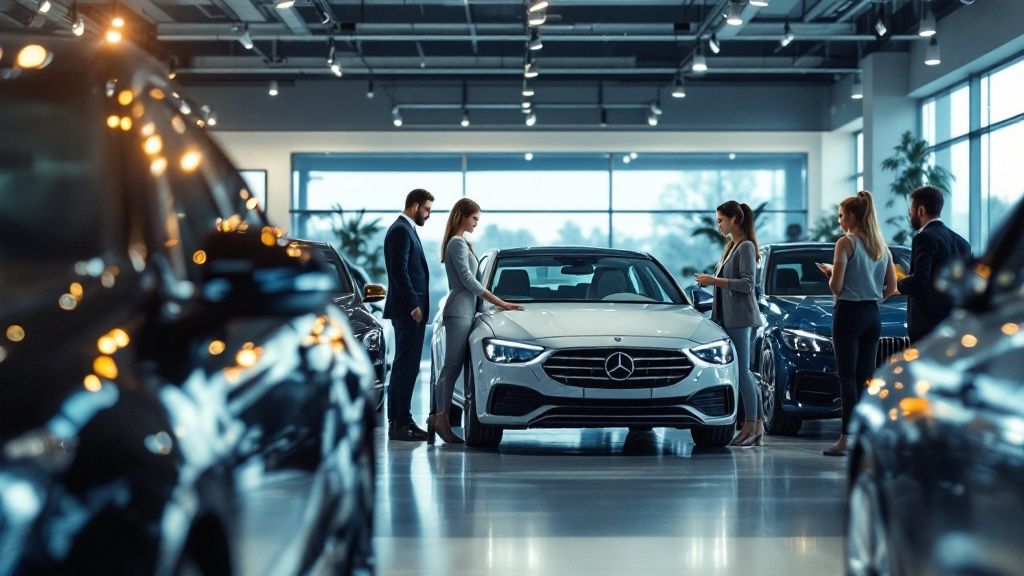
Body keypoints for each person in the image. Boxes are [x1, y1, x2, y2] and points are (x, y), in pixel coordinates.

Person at [428, 198, 524, 444]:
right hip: (459, 310)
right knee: (450, 367)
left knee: (453, 367)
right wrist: (501, 303)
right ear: (462, 216)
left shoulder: (461, 243)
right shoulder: (457, 243)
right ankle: (441, 418)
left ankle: (440, 417)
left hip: (466, 310)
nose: (476, 224)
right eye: (474, 219)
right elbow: (469, 281)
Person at [817, 191, 897, 456]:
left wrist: (831, 273)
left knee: (847, 379)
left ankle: (845, 439)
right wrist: (872, 298)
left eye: (841, 215)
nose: (840, 221)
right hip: (873, 314)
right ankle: (867, 437)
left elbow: (836, 286)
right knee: (867, 378)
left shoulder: (845, 243)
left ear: (852, 215)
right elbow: (892, 287)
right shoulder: (881, 246)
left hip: (848, 314)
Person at [695, 201, 764, 448]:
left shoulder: (745, 246)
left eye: (721, 220)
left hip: (741, 317)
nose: (718, 225)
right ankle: (755, 425)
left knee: (743, 372)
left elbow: (747, 284)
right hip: (729, 317)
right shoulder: (732, 246)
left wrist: (714, 280)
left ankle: (752, 425)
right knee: (742, 372)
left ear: (735, 219)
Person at [383, 189, 434, 442]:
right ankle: (399, 424)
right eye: (427, 209)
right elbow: (398, 271)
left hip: (411, 310)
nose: (428, 215)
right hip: (408, 310)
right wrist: (414, 304)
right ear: (415, 205)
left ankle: (402, 420)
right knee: (405, 367)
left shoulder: (407, 229)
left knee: (409, 366)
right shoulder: (401, 230)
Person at [897, 186, 971, 343]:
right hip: (952, 323)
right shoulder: (963, 243)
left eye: (911, 208)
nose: (910, 214)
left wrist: (898, 283)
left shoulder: (924, 238)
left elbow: (920, 280)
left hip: (926, 325)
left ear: (921, 210)